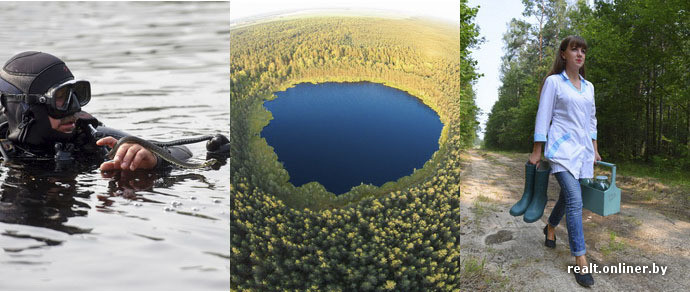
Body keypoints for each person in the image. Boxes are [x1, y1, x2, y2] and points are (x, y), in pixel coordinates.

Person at [0, 51, 192, 171]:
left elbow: (183, 152)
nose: (74, 108)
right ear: (25, 109)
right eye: (61, 98)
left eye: (76, 94)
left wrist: (153, 159)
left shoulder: (92, 139)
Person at [529, 36, 601, 287]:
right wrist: (537, 150)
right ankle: (580, 260)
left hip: (581, 153)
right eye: (574, 49)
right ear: (563, 54)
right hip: (560, 150)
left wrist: (594, 149)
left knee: (567, 197)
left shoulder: (588, 86)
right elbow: (543, 115)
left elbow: (592, 120)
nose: (580, 54)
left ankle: (550, 226)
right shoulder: (553, 82)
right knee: (575, 200)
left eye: (583, 50)